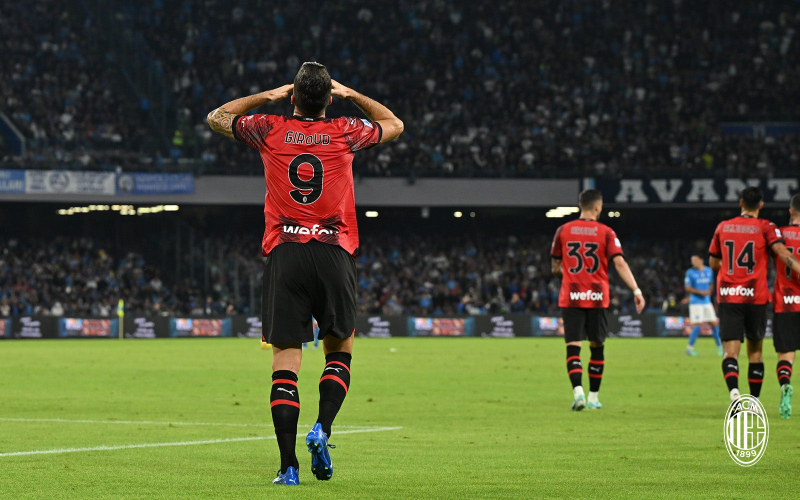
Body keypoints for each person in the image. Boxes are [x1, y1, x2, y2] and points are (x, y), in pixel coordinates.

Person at [206, 62, 403, 485]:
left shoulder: (268, 128)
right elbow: (394, 124)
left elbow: (217, 117)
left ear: (292, 96)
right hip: (334, 252)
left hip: (286, 253)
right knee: (339, 352)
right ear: (329, 98)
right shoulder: (347, 131)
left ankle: (288, 467)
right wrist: (352, 94)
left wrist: (267, 95)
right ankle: (322, 429)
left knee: (285, 364)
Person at [551, 189, 646, 411]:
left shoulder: (563, 230)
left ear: (580, 205)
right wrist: (636, 290)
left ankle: (578, 394)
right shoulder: (606, 232)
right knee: (597, 346)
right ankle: (593, 398)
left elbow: (555, 267)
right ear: (597, 207)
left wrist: (570, 279)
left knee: (573, 346)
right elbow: (619, 263)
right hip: (597, 297)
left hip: (571, 296)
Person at [708, 187, 800, 403]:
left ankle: (734, 393)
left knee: (730, 353)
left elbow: (713, 263)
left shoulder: (723, 226)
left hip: (729, 295)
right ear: (761, 205)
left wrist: (730, 269)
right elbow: (782, 253)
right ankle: (754, 401)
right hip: (756, 297)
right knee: (755, 353)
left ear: (741, 203)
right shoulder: (767, 227)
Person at [772, 193, 800, 418]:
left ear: (790, 211)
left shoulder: (778, 235)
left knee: (786, 354)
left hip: (786, 303)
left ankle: (785, 385)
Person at [684, 255, 722, 357]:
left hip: (706, 301)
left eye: (695, 260)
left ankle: (720, 348)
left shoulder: (709, 271)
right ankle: (689, 349)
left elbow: (711, 283)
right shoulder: (690, 272)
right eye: (692, 261)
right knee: (698, 324)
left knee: (714, 323)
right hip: (695, 302)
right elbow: (687, 288)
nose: (693, 262)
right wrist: (701, 292)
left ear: (701, 260)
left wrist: (709, 292)